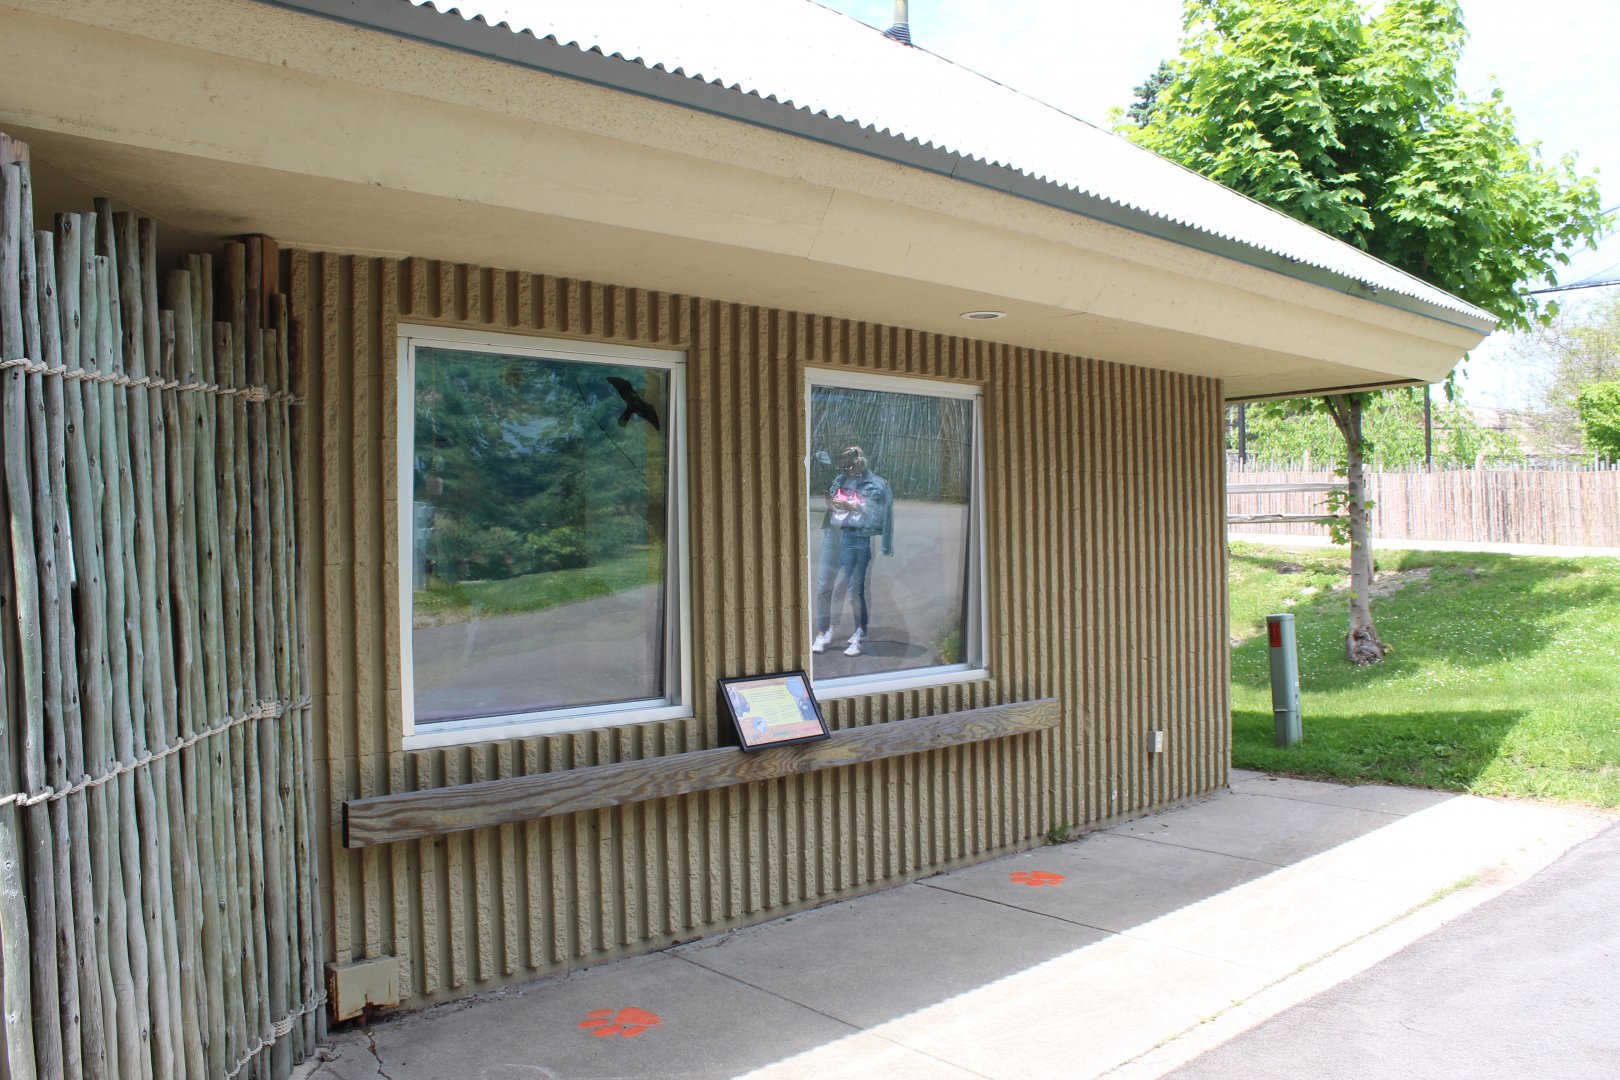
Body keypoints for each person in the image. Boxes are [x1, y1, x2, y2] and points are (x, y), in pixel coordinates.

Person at [811, 446, 893, 657]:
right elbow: (830, 504)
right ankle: (824, 630)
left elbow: (881, 514)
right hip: (834, 536)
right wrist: (833, 502)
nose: (845, 469)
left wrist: (886, 543)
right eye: (842, 465)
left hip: (858, 538)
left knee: (856, 590)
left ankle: (860, 632)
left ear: (859, 462)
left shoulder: (877, 484)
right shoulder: (839, 480)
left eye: (848, 464)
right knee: (824, 585)